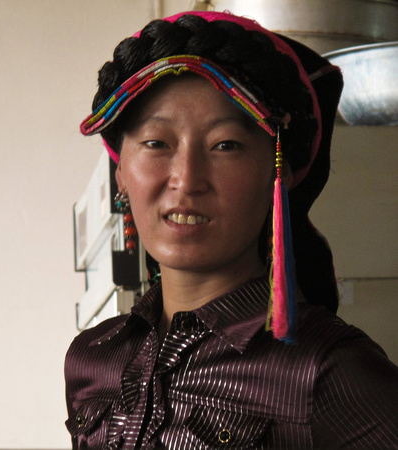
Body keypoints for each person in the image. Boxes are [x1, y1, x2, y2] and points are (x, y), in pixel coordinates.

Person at [65, 10, 398, 449]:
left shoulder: (327, 371)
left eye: (226, 145)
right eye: (156, 143)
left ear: (278, 172)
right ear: (121, 170)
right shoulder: (92, 358)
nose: (186, 179)